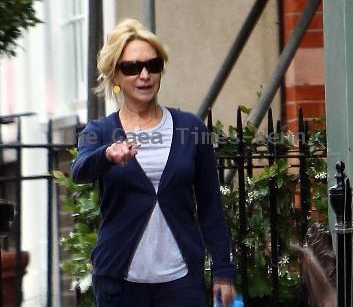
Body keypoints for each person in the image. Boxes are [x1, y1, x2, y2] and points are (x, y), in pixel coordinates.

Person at [72, 18, 236, 307]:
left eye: (153, 65)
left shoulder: (191, 128)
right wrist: (107, 156)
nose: (144, 74)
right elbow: (80, 171)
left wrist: (223, 271)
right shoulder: (98, 132)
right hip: (119, 285)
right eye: (131, 67)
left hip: (181, 282)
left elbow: (211, 205)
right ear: (115, 77)